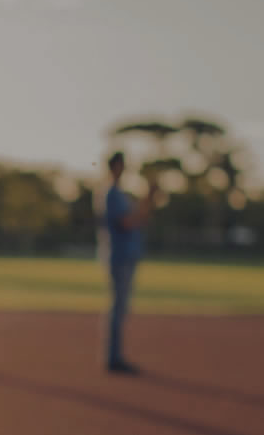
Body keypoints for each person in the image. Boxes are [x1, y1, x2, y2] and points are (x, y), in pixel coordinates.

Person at [97, 152, 159, 375]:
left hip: (128, 256)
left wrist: (149, 199)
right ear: (113, 167)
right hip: (119, 257)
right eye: (120, 165)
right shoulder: (112, 194)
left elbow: (140, 218)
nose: (122, 169)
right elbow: (128, 222)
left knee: (122, 308)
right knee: (118, 307)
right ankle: (113, 357)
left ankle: (115, 355)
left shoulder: (121, 194)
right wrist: (149, 197)